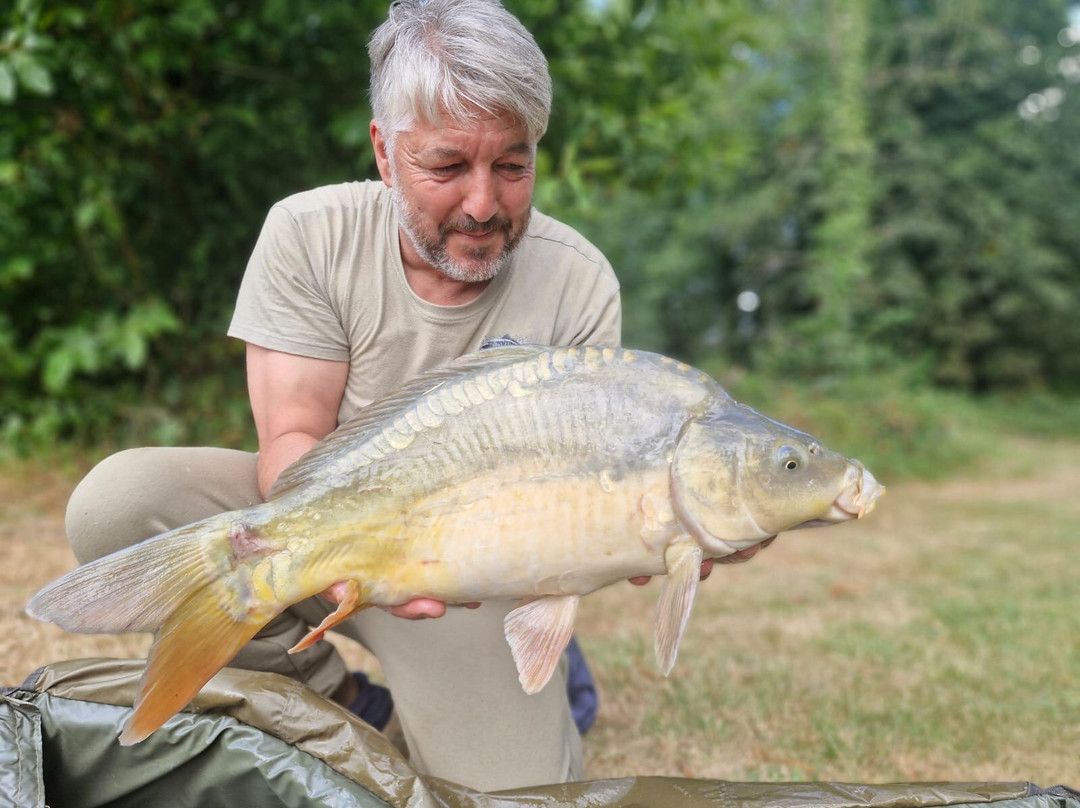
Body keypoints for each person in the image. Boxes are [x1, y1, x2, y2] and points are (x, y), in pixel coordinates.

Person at [63, 0, 774, 789]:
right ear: (384, 151)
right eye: (446, 167)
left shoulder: (578, 280)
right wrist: (335, 565)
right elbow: (292, 439)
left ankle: (549, 683)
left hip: (478, 584)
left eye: (512, 166)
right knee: (119, 502)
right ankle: (342, 704)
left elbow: (595, 501)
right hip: (338, 522)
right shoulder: (307, 233)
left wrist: (667, 532)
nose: (482, 204)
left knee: (518, 794)